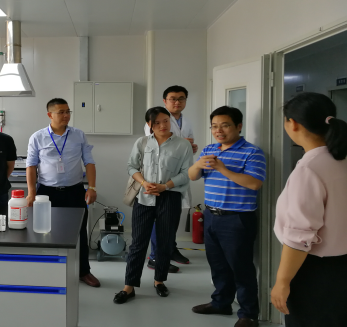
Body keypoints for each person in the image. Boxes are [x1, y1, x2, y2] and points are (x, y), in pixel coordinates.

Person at [271, 93, 347, 327]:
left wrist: (282, 281)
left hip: (316, 272)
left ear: (292, 123)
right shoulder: (340, 159)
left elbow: (300, 236)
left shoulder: (309, 169)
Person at [189, 106, 266, 327]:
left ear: (238, 126)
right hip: (211, 216)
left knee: (241, 268)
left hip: (237, 218)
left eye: (224, 125)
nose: (218, 130)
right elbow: (192, 176)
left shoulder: (252, 152)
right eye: (214, 126)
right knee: (218, 265)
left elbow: (254, 183)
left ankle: (248, 314)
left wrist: (223, 168)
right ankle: (221, 303)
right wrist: (197, 164)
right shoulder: (209, 149)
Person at [114, 107, 193, 304]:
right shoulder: (142, 142)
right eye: (156, 122)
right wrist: (143, 182)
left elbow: (187, 173)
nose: (162, 125)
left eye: (165, 120)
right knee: (138, 243)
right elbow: (131, 166)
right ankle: (129, 286)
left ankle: (159, 281)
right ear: (149, 124)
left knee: (165, 242)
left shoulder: (183, 145)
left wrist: (164, 186)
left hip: (170, 196)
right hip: (144, 197)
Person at [26, 98, 100, 287]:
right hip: (46, 192)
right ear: (50, 115)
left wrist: (92, 187)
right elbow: (31, 166)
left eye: (68, 111)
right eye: (61, 112)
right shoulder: (38, 137)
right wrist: (31, 193)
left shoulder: (78, 135)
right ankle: (48, 272)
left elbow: (89, 162)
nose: (66, 115)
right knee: (45, 232)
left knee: (79, 231)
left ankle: (83, 271)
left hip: (74, 191)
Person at [146, 85, 198, 273]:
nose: (177, 102)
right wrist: (182, 144)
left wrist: (191, 148)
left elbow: (187, 148)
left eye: (181, 98)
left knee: (172, 218)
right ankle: (155, 257)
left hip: (179, 176)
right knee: (160, 219)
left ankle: (170, 249)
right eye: (173, 99)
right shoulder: (157, 119)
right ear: (165, 101)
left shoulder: (187, 121)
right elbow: (154, 146)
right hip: (160, 178)